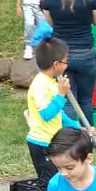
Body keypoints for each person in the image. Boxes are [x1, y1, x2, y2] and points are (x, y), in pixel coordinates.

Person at [38, 0, 96, 118]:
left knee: (67, 99)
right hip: (85, 53)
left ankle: (69, 138)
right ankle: (88, 137)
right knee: (86, 100)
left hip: (61, 54)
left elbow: (51, 22)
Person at [25, 37, 81, 182]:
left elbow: (59, 115)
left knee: (56, 180)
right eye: (66, 61)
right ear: (56, 64)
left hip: (51, 140)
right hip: (41, 142)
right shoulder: (40, 85)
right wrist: (61, 94)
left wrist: (77, 127)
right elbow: (47, 114)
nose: (67, 64)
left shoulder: (52, 82)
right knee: (48, 182)